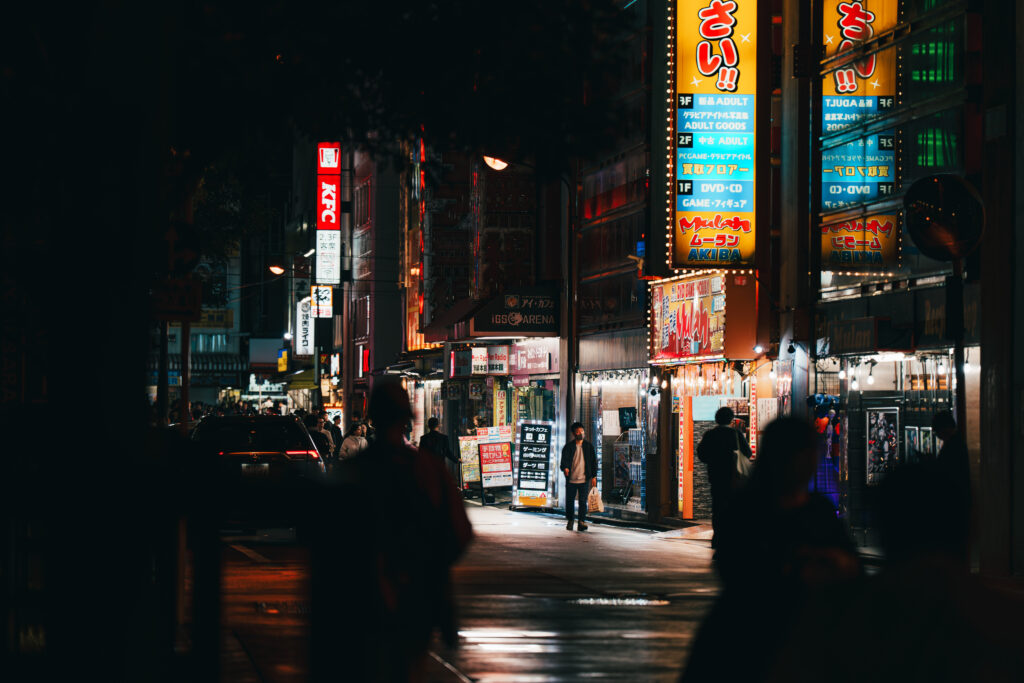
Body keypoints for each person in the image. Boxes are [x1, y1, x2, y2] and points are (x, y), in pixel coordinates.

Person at [681, 417, 860, 682]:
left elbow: (852, 568)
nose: (813, 460)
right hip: (753, 632)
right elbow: (733, 566)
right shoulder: (753, 509)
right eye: (806, 452)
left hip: (792, 630)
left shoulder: (816, 509)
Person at [334, 379, 473, 680]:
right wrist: (429, 565)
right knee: (407, 668)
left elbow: (328, 542)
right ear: (406, 418)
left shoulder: (352, 473)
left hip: (360, 598)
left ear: (373, 418)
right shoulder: (427, 469)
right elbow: (460, 531)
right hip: (416, 597)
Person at [696, 406, 753, 547]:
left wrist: (713, 460)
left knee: (717, 507)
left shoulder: (710, 434)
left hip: (716, 476)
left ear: (717, 419)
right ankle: (732, 539)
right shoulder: (736, 434)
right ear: (731, 419)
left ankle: (718, 538)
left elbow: (702, 454)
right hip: (734, 477)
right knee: (733, 508)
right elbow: (748, 453)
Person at [559, 422, 597, 532]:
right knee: (570, 501)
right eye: (578, 432)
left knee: (582, 501)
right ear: (574, 434)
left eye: (582, 431)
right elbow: (564, 461)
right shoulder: (568, 447)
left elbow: (593, 462)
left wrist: (594, 476)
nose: (581, 433)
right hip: (571, 479)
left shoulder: (588, 447)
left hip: (584, 479)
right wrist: (565, 468)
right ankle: (570, 520)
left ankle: (581, 522)